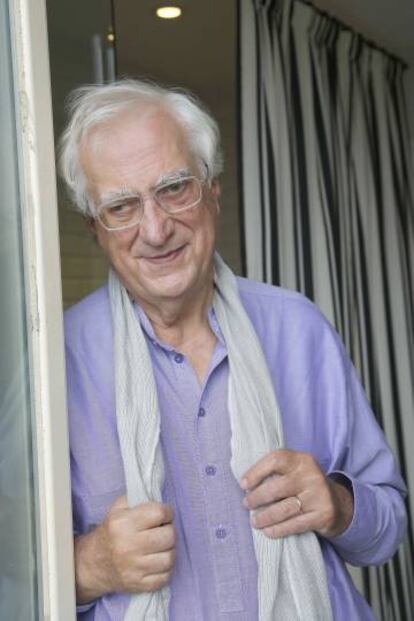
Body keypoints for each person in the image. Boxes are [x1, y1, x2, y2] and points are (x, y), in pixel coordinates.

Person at [60, 79, 407, 620]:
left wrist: (338, 504)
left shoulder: (299, 328)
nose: (155, 229)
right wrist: (89, 567)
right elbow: (16, 569)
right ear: (95, 229)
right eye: (122, 206)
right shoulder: (54, 365)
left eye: (174, 188)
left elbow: (385, 532)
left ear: (212, 190)